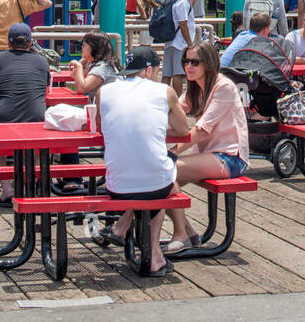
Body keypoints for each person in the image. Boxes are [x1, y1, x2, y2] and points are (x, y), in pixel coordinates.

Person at [96, 46, 192, 276]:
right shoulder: (164, 92)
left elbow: (100, 127)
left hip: (115, 185)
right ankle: (154, 254)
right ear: (149, 70)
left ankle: (122, 225)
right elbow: (182, 130)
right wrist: (156, 124)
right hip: (155, 185)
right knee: (157, 178)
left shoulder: (104, 91)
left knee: (146, 173)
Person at [158, 39, 250, 253]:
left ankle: (181, 234)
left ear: (208, 64)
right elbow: (175, 112)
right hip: (209, 155)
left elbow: (202, 130)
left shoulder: (224, 86)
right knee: (158, 177)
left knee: (165, 169)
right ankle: (188, 232)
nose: (188, 66)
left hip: (231, 158)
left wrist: (173, 152)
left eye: (194, 62)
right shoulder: (195, 88)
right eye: (186, 61)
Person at [0, 22, 49, 203]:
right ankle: (29, 188)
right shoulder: (42, 61)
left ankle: (7, 189)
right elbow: (45, 90)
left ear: (8, 42)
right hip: (36, 119)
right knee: (37, 150)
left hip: (5, 119)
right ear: (30, 42)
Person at [162, 0, 199, 97]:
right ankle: (176, 103)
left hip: (170, 40)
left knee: (166, 74)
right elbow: (183, 24)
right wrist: (190, 43)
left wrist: (193, 0)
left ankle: (164, 100)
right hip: (180, 43)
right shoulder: (183, 2)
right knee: (178, 74)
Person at [70, 31, 120, 99]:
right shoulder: (97, 64)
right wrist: (84, 59)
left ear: (94, 48)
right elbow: (73, 75)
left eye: (84, 45)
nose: (82, 47)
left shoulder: (103, 67)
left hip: (108, 107)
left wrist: (79, 66)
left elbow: (81, 88)